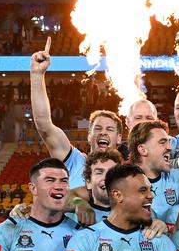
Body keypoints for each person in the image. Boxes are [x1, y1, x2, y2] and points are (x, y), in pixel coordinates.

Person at [30, 38, 123, 189]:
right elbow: (44, 126)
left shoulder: (128, 174)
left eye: (109, 129)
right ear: (89, 135)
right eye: (98, 129)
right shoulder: (74, 161)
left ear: (119, 138)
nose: (103, 133)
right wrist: (37, 75)